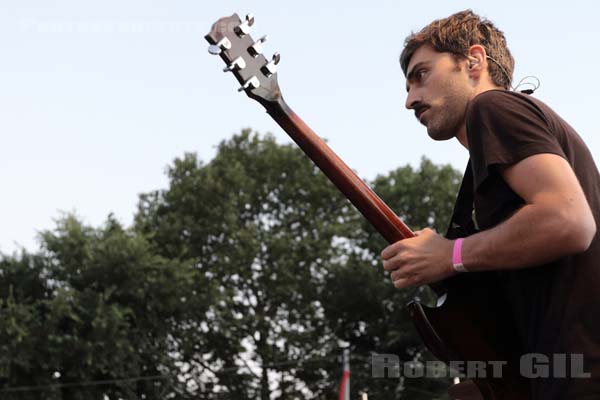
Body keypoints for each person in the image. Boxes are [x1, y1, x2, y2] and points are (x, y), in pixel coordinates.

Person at [380, 9, 600, 399]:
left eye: (422, 75)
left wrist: (451, 255)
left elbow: (568, 220)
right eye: (407, 86)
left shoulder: (494, 108)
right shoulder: (497, 148)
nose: (410, 99)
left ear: (474, 61)